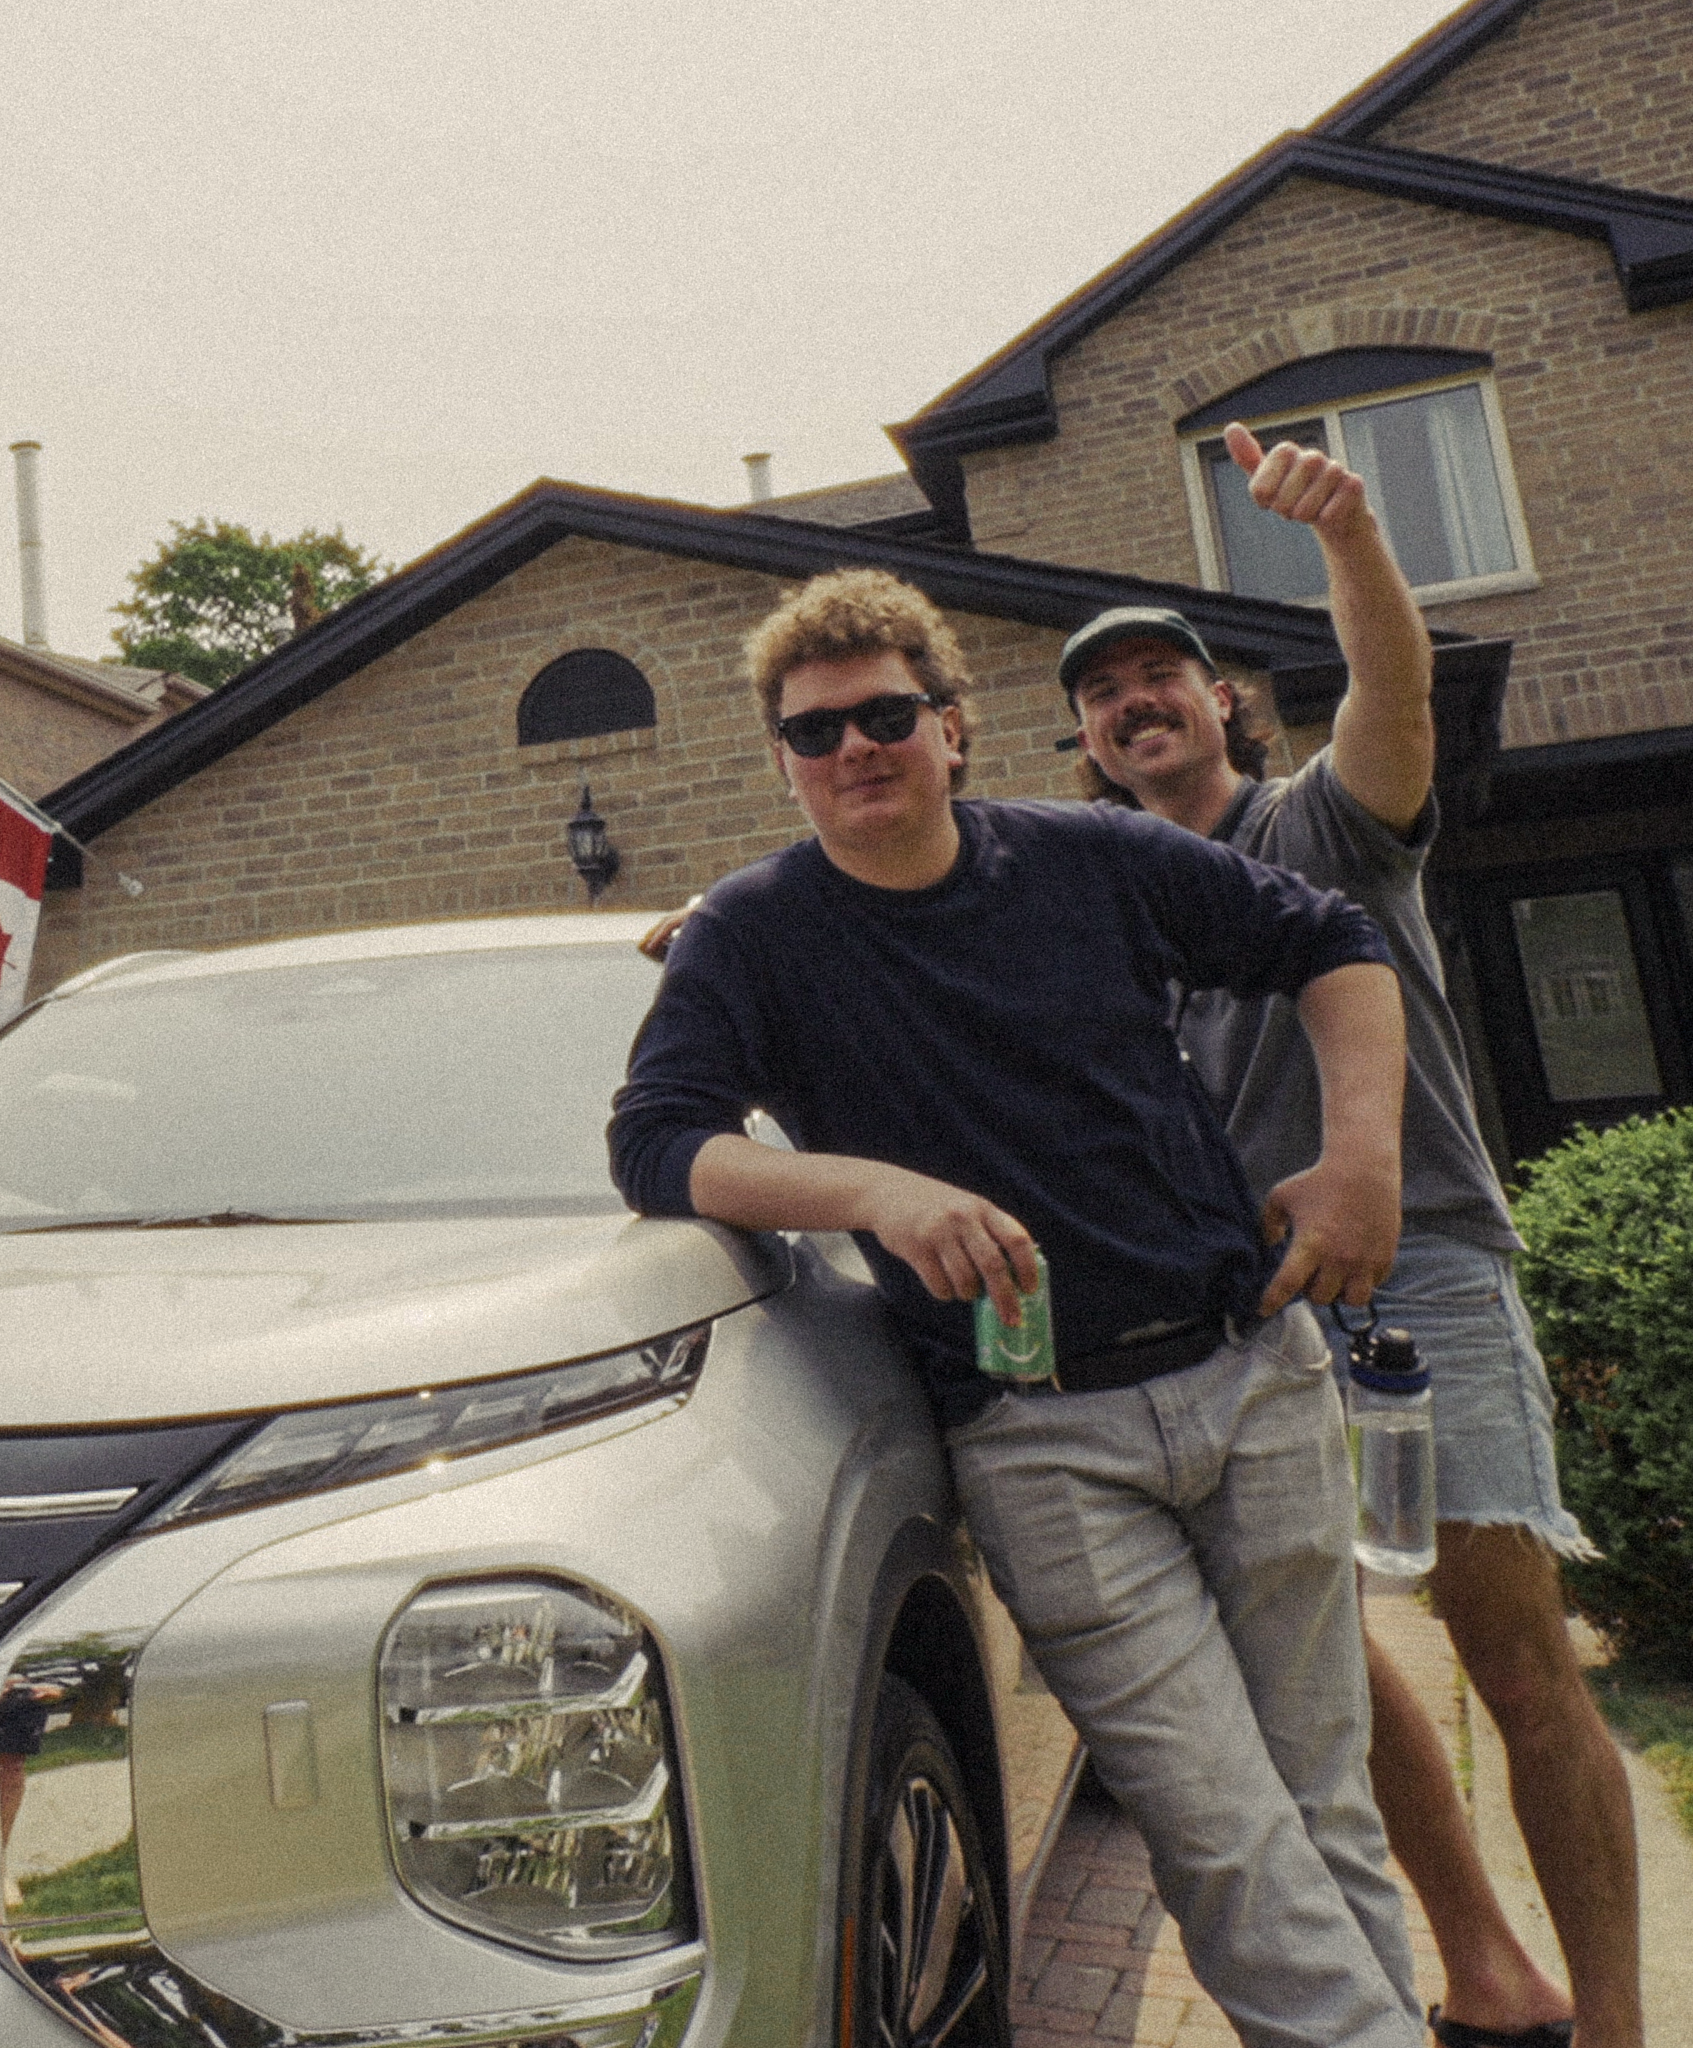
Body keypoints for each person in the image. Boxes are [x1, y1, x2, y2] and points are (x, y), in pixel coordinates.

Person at [610, 567, 1424, 2048]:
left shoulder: (1092, 857)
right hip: (1043, 1445)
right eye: (816, 733)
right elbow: (658, 1145)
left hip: (1256, 1375)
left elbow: (1333, 944)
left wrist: (1360, 1161)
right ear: (780, 760)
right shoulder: (752, 935)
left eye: (886, 715)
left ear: (953, 724)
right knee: (1227, 1834)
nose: (855, 748)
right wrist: (877, 1195)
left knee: (1321, 1809)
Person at [1063, 423, 1637, 2048]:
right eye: (1103, 696)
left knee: (1511, 1653)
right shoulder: (1096, 909)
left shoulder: (1325, 824)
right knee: (1321, 1652)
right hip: (1241, 1312)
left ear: (1223, 702)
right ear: (1086, 745)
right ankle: (1486, 1963)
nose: (1134, 701)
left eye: (1161, 673)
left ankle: (1611, 2019)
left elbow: (1397, 695)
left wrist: (1350, 540)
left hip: (1419, 1271)